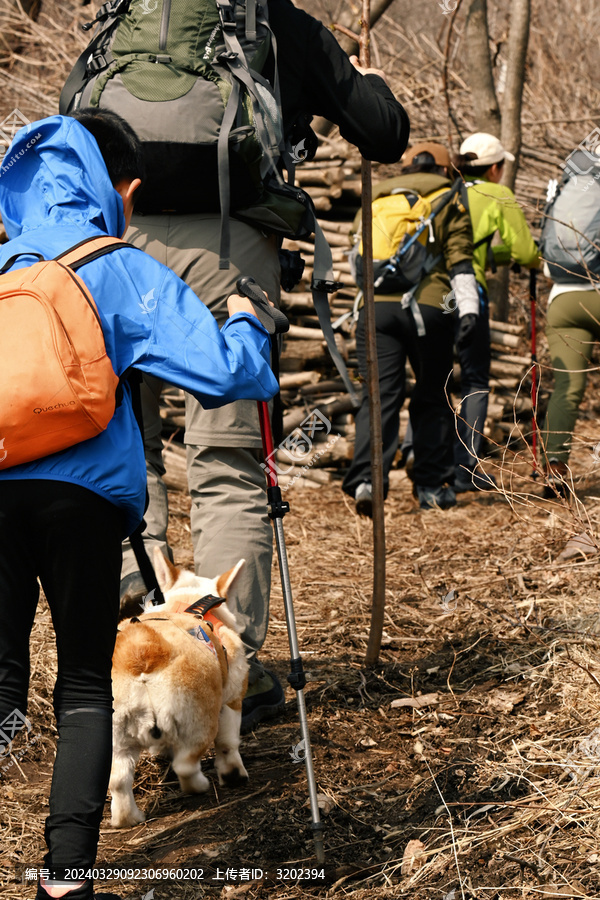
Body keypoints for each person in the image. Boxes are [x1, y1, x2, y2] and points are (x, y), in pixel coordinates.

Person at [0, 109, 279, 900]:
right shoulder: (115, 264)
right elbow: (228, 377)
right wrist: (245, 319)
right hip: (81, 501)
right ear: (115, 186)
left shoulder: (5, 264)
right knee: (86, 683)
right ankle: (64, 880)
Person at [116, 0, 410, 731]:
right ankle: (216, 670)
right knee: (228, 461)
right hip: (229, 254)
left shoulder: (126, 18)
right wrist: (363, 81)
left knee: (128, 451)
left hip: (119, 249)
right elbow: (385, 134)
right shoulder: (280, 23)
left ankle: (135, 614)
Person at [342, 142, 479, 514]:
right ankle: (432, 486)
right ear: (445, 169)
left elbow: (356, 255)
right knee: (432, 394)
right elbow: (460, 261)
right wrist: (468, 312)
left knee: (379, 397)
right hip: (428, 309)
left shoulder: (377, 199)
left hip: (374, 311)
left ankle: (368, 481)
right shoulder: (449, 198)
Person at [451, 133, 540, 492]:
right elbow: (524, 250)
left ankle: (432, 462)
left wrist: (501, 257)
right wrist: (533, 257)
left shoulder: (447, 191)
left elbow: (474, 249)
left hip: (434, 296)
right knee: (474, 380)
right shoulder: (497, 194)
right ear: (493, 168)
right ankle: (468, 466)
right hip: (470, 293)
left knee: (435, 380)